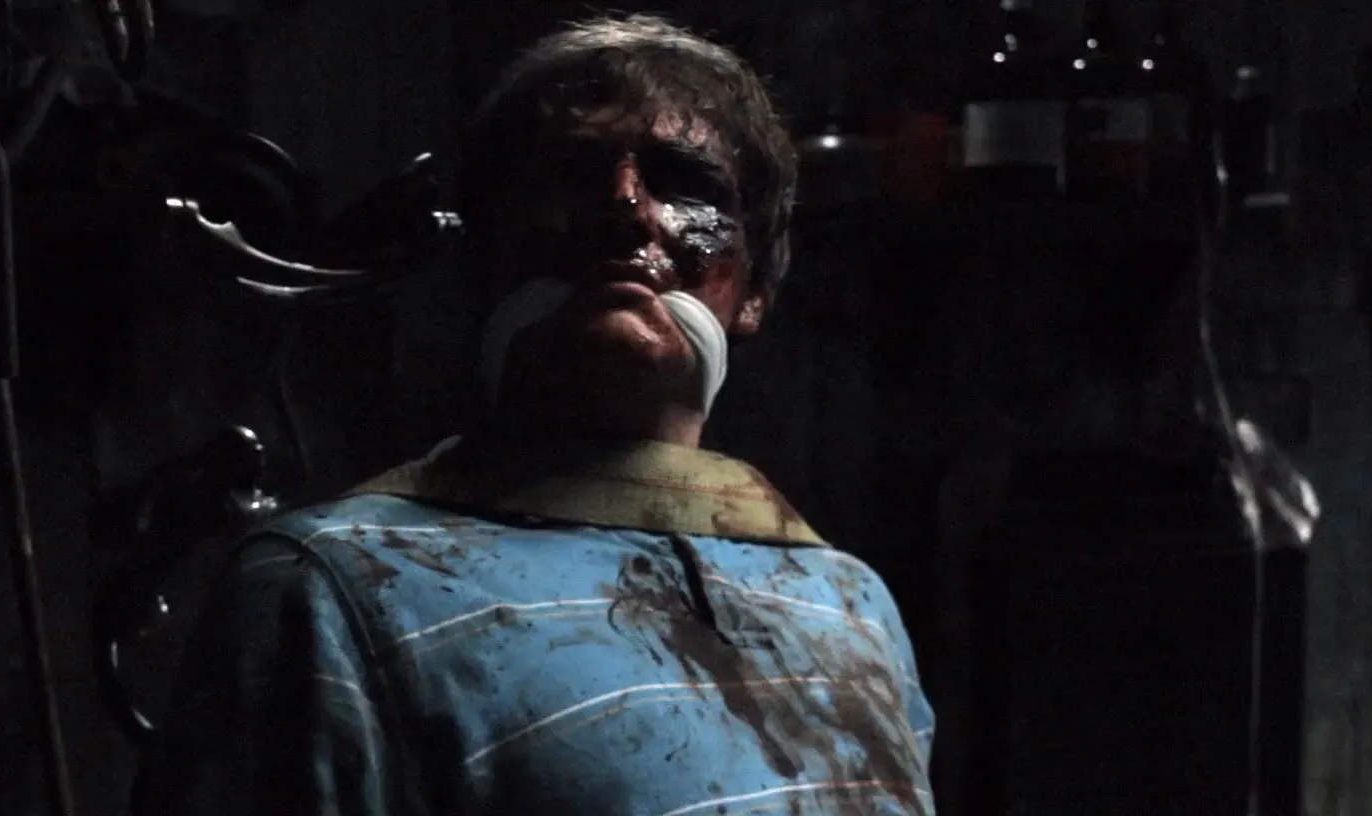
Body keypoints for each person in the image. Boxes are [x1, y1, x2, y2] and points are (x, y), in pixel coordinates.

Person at [133, 14, 936, 815]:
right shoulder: (328, 589)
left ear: (754, 287)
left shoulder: (850, 606)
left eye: (684, 184)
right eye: (571, 176)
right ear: (488, 252)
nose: (625, 207)